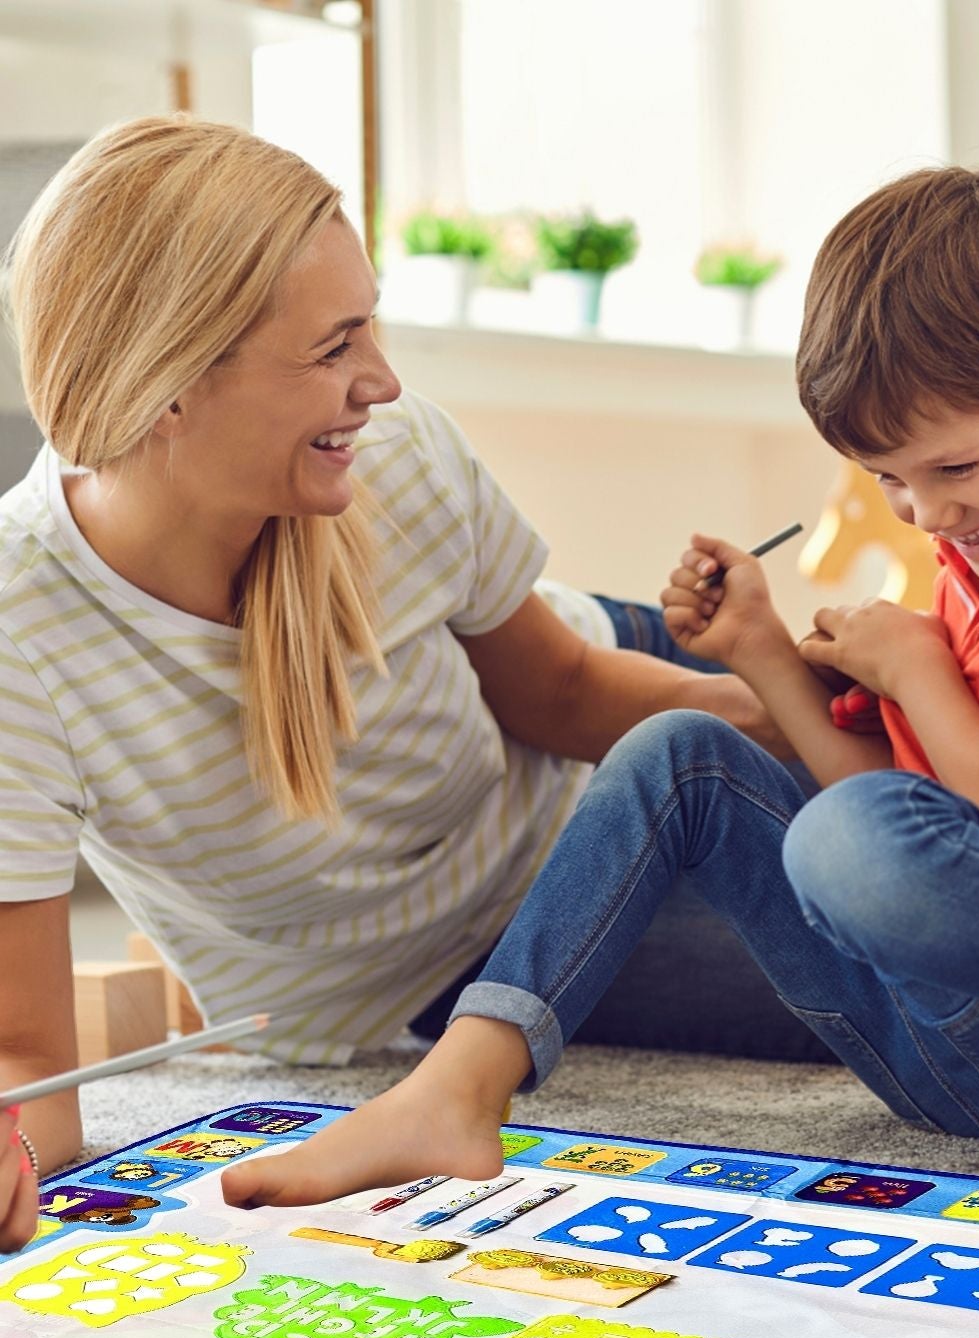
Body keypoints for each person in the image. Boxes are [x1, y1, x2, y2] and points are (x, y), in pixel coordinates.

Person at [224, 165, 979, 1213]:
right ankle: (459, 1085)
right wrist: (757, 650)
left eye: (952, 471)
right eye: (890, 482)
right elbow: (885, 801)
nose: (926, 518)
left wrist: (919, 667)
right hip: (927, 1045)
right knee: (682, 751)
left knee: (855, 833)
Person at [0, 116, 788, 1253]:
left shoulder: (390, 453)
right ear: (166, 385)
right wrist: (14, 1150)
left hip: (593, 699)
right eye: (334, 348)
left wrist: (798, 719)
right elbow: (27, 1058)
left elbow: (560, 690)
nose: (383, 380)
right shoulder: (23, 632)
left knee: (970, 726)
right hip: (467, 947)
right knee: (928, 975)